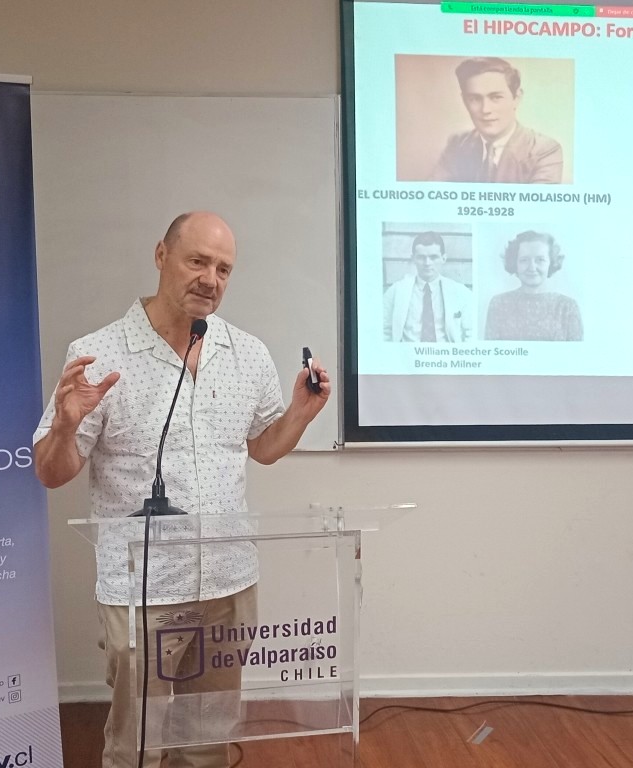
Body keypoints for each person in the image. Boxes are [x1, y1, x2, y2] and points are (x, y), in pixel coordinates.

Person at [33, 211, 330, 768]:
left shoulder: (246, 353)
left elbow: (264, 448)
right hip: (143, 585)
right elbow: (51, 472)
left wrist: (300, 413)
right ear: (161, 255)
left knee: (207, 742)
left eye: (224, 269)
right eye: (198, 261)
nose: (210, 280)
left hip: (227, 580)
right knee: (137, 745)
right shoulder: (100, 353)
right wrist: (66, 426)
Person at [430, 57, 563, 184]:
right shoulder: (457, 144)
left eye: (496, 97)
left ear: (516, 98)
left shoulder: (544, 150)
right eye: (474, 99)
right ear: (465, 101)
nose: (485, 109)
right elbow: (434, 195)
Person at [483, 230, 583, 341]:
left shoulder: (567, 307)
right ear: (515, 263)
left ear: (551, 262)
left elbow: (578, 351)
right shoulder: (499, 304)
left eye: (540, 260)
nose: (532, 267)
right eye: (524, 260)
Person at [382, 230, 474, 342]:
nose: (427, 263)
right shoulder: (396, 291)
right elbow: (384, 331)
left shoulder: (461, 293)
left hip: (445, 352)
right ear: (413, 259)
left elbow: (471, 334)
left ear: (443, 258)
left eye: (433, 257)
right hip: (408, 351)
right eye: (421, 257)